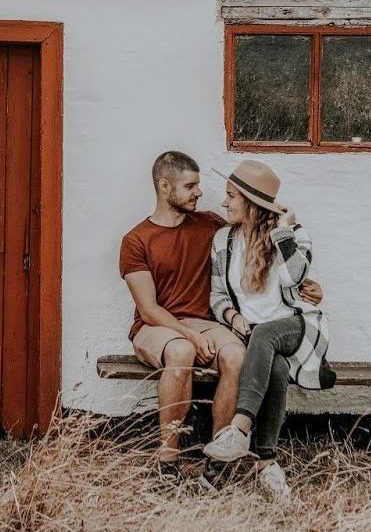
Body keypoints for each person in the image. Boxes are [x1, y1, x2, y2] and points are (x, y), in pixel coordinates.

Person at [119, 151, 321, 485]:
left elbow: (260, 237)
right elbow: (149, 309)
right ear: (164, 186)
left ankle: (218, 460)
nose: (200, 192)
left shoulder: (212, 226)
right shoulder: (136, 240)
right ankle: (167, 461)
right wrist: (192, 336)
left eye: (199, 185)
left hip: (207, 322)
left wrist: (309, 287)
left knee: (236, 355)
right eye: (190, 186)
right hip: (156, 326)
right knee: (182, 351)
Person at [201, 159, 334, 502]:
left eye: (231, 196)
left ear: (251, 203)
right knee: (273, 364)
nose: (224, 203)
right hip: (254, 334)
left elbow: (296, 278)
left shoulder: (293, 234)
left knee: (266, 335)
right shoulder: (222, 241)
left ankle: (239, 429)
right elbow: (216, 295)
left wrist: (284, 230)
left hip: (294, 325)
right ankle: (266, 463)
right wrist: (231, 317)